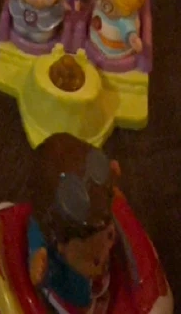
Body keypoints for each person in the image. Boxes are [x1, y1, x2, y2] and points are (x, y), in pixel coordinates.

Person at [26, 134, 121, 314]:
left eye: (109, 236)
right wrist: (39, 265)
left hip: (85, 279)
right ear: (61, 245)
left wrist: (111, 180)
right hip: (72, 289)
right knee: (72, 292)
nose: (102, 262)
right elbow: (37, 243)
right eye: (95, 260)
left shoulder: (92, 227)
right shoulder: (47, 234)